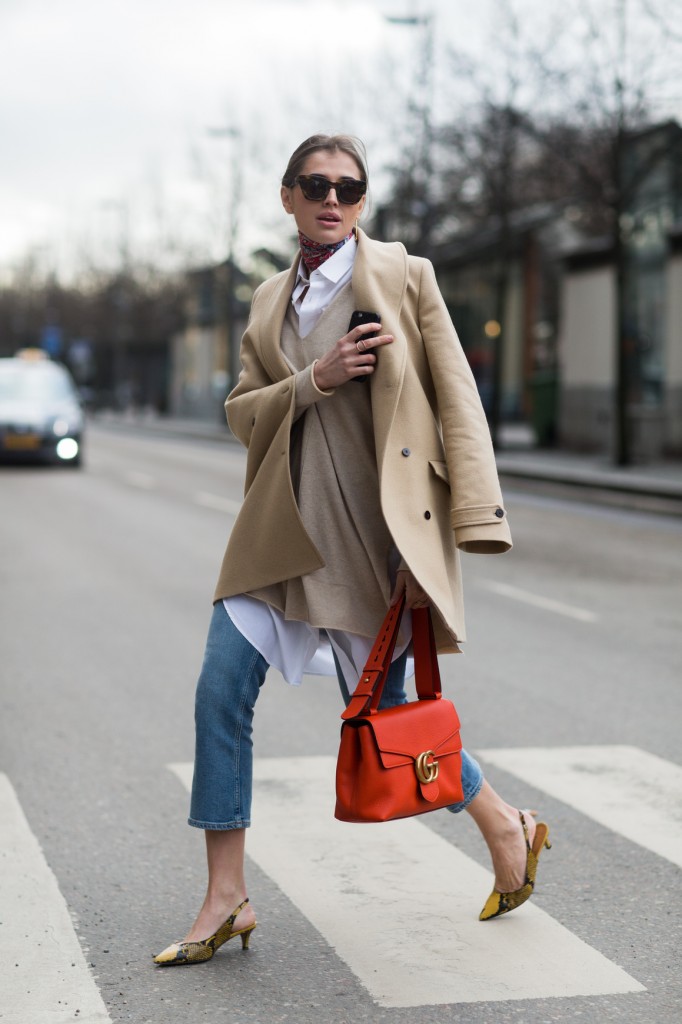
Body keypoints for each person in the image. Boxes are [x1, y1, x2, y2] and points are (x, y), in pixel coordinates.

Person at [153, 134, 551, 967]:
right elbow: (241, 412)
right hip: (276, 538)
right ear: (289, 196)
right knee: (218, 695)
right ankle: (227, 898)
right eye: (316, 185)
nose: (333, 199)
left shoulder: (406, 279)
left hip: (371, 544)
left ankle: (504, 822)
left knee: (396, 727)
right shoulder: (267, 300)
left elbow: (457, 401)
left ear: (363, 202)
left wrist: (472, 518)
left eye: (350, 188)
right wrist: (316, 379)